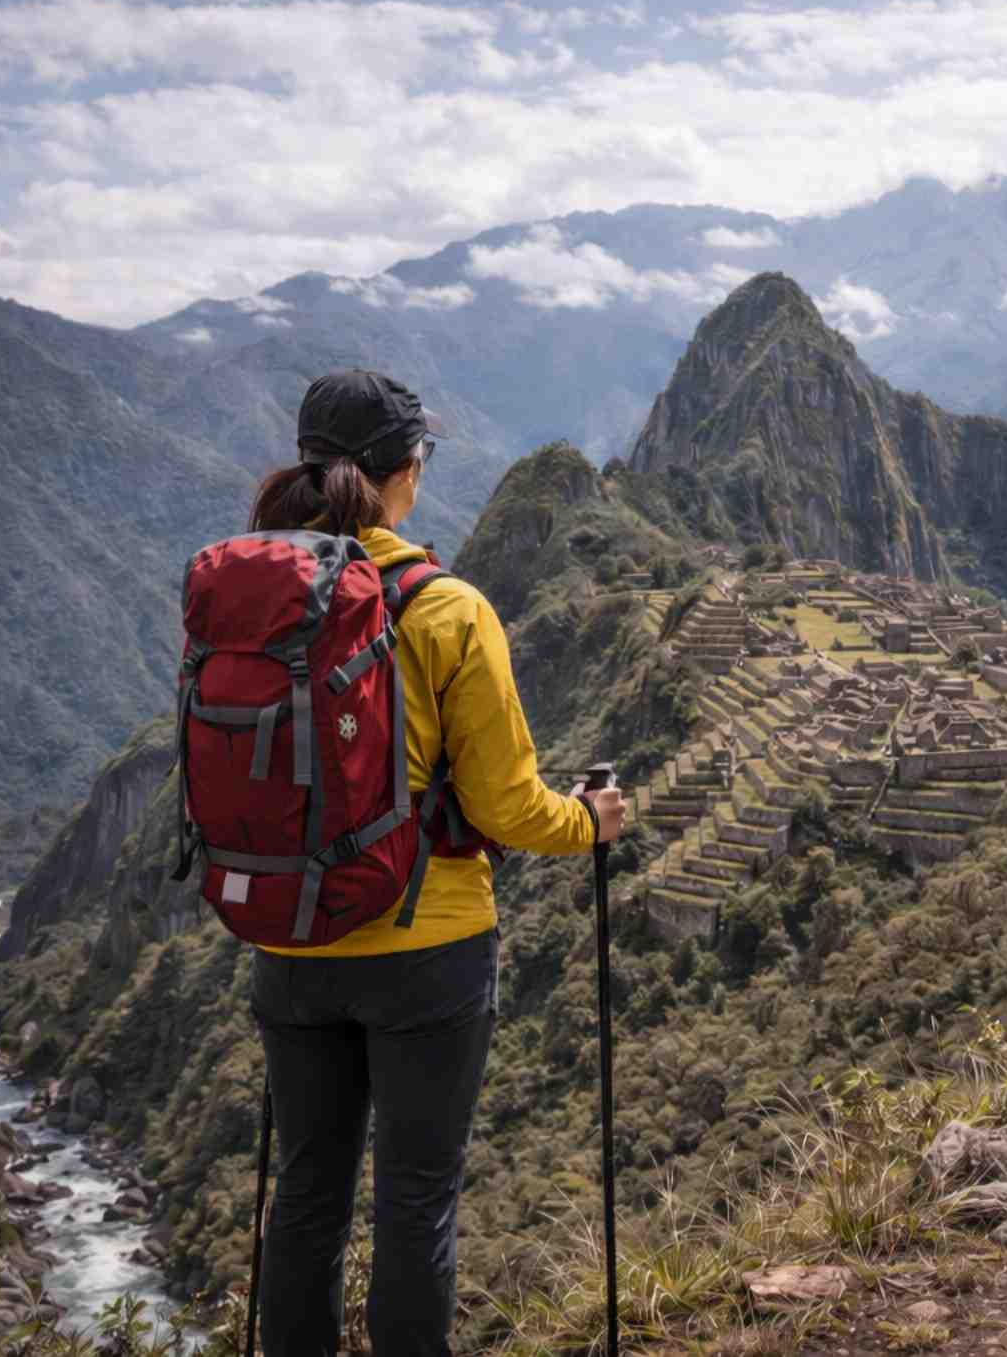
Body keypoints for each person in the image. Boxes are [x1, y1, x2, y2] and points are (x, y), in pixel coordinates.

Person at [245, 370, 627, 1356]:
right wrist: (590, 823)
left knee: (307, 1197)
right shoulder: (444, 608)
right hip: (428, 949)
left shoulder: (252, 597)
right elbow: (507, 806)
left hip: (287, 936)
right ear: (406, 470)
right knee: (414, 1203)